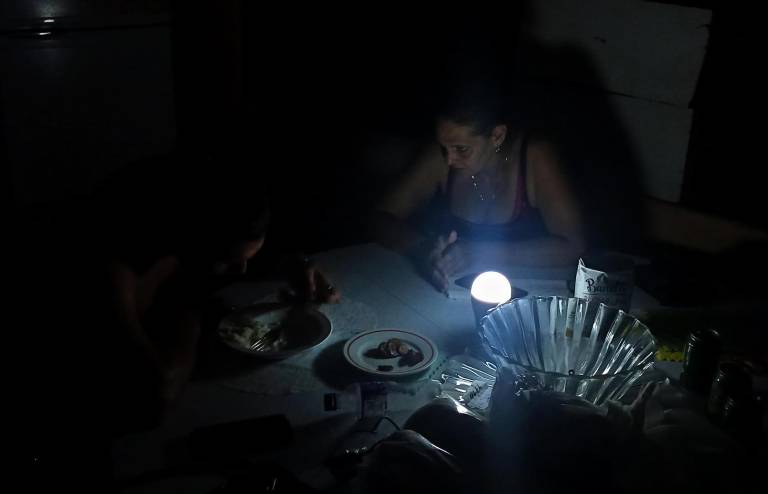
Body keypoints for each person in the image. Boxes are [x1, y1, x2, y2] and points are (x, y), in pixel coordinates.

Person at [370, 82, 587, 293]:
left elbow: (573, 246)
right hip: (452, 295)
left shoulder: (534, 157)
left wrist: (484, 253)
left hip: (525, 297)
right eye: (443, 147)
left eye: (462, 149)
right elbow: (379, 218)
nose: (449, 160)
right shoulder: (443, 155)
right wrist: (423, 247)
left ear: (497, 136)